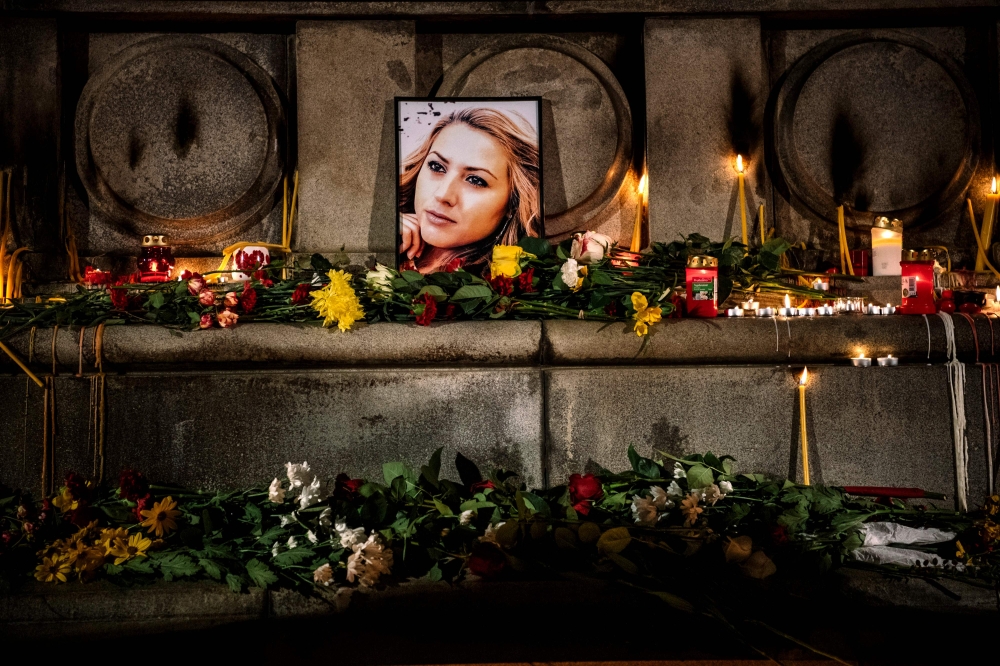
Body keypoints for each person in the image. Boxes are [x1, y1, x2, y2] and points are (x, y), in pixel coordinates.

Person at [398, 107, 541, 273]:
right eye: (437, 166)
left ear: (513, 203)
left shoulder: (503, 290)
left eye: (475, 180)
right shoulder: (387, 233)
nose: (442, 195)